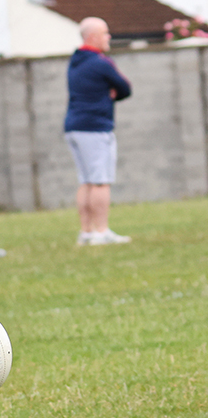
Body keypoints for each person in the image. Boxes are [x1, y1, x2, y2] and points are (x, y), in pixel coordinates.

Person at [64, 17, 132, 246]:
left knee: (87, 181)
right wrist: (112, 92)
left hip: (74, 127)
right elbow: (125, 87)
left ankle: (86, 232)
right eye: (105, 33)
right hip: (94, 128)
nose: (109, 37)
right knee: (101, 181)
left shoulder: (75, 62)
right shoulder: (101, 62)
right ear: (92, 37)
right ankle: (101, 233)